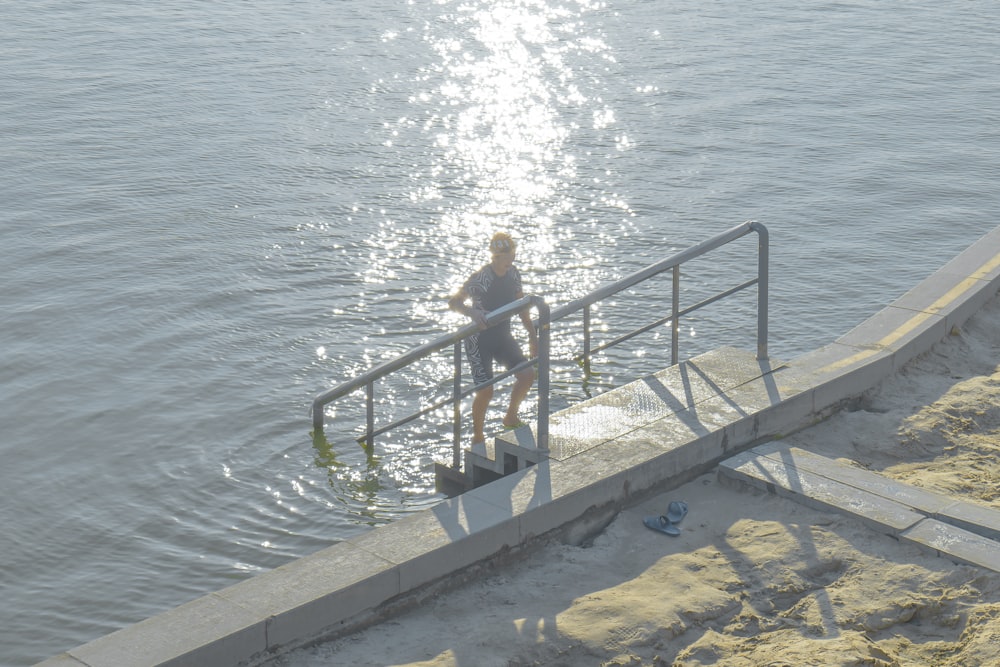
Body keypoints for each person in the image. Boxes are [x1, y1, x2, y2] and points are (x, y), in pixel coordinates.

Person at [448, 232, 538, 445]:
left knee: (527, 375)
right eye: (507, 256)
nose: (511, 260)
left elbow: (522, 308)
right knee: (486, 391)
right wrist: (473, 313)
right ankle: (478, 436)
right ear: (495, 257)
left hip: (502, 335)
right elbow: (454, 302)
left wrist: (533, 337)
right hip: (479, 340)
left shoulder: (514, 274)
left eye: (513, 254)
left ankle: (510, 416)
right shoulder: (482, 278)